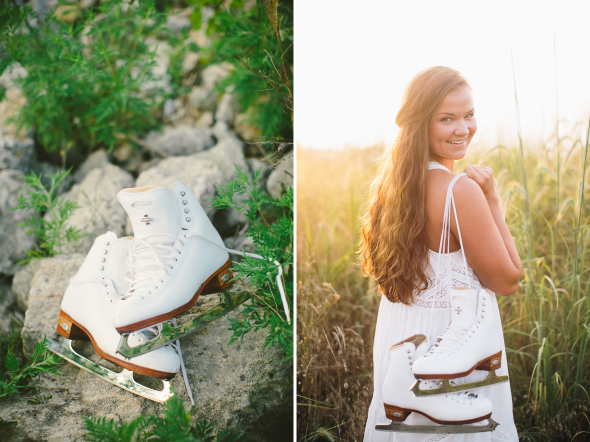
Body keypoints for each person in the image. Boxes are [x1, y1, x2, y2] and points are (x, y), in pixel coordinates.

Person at [360, 66, 521, 441]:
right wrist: (493, 200)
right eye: (446, 119)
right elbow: (508, 280)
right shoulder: (459, 191)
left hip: (403, 340)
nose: (463, 128)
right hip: (451, 346)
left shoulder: (393, 187)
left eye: (469, 115)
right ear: (420, 124)